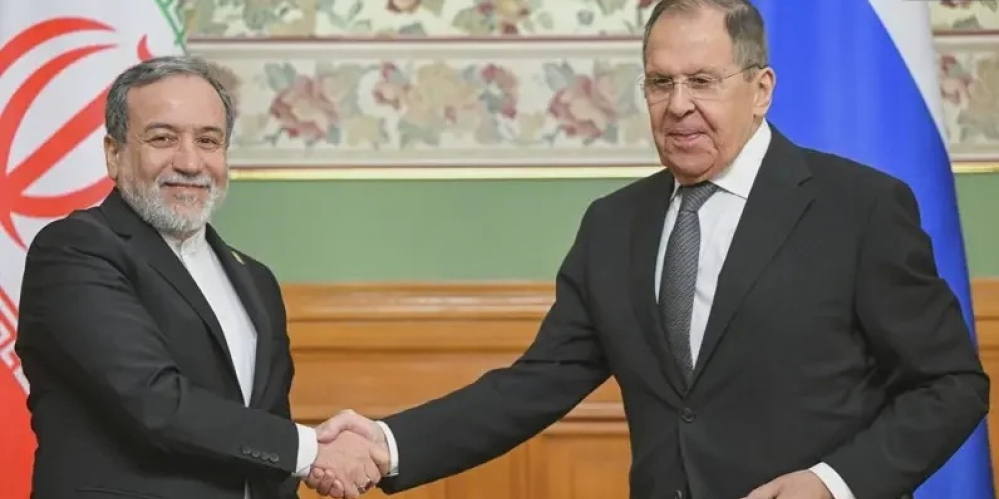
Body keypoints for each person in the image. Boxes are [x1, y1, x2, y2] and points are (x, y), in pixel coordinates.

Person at [306, 1, 990, 499]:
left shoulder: (857, 207)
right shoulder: (614, 225)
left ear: (760, 90)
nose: (677, 105)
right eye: (660, 83)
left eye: (702, 80)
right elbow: (534, 385)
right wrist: (386, 443)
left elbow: (951, 384)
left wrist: (833, 482)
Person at [15, 55, 387, 499]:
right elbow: (153, 402)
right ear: (114, 154)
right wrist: (311, 451)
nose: (190, 162)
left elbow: (263, 434)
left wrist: (305, 461)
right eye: (163, 138)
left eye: (208, 140)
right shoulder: (75, 250)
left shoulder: (257, 281)